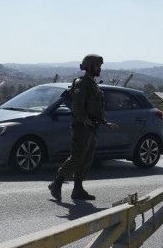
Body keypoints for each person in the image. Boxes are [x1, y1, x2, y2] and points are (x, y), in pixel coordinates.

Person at [48, 54, 118, 201]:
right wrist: (85, 120)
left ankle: (78, 189)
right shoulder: (81, 83)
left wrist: (105, 123)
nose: (99, 69)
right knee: (77, 157)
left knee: (87, 158)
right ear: (89, 67)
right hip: (82, 127)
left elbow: (96, 108)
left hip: (91, 127)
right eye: (97, 66)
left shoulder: (93, 85)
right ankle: (57, 183)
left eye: (99, 66)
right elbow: (77, 107)